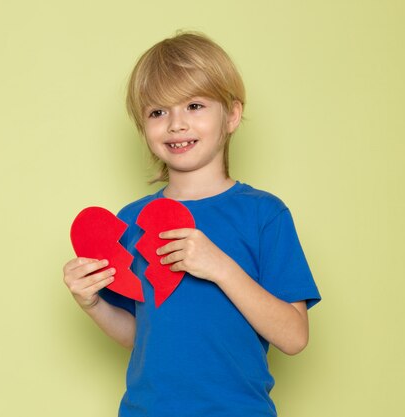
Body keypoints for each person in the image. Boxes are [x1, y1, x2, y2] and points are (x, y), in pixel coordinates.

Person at [62, 31, 321, 417]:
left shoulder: (264, 214)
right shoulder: (130, 222)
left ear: (232, 115)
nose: (176, 124)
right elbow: (140, 336)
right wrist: (93, 304)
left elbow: (294, 336)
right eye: (157, 112)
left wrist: (220, 267)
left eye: (195, 105)